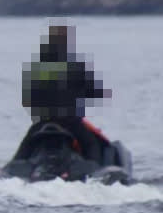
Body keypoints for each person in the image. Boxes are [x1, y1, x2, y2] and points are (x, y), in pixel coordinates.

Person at [13, 23, 114, 169]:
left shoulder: (37, 68)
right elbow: (94, 92)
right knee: (91, 144)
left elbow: (27, 100)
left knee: (25, 146)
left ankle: (10, 168)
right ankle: (96, 169)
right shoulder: (76, 66)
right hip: (71, 122)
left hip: (43, 122)